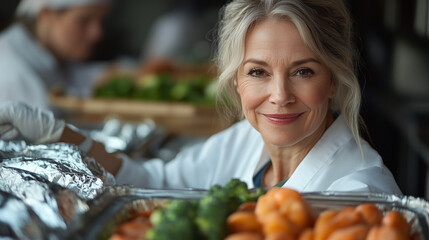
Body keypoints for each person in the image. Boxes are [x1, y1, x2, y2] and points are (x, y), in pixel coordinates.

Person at [0, 0, 401, 194]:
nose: (279, 96)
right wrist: (60, 135)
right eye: (258, 72)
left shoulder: (360, 191)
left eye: (303, 72)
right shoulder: (245, 141)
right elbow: (154, 181)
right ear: (236, 81)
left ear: (333, 81)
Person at [0, 0, 111, 109]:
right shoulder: (14, 73)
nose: (97, 34)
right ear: (46, 16)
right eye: (84, 20)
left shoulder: (52, 55)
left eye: (102, 21)